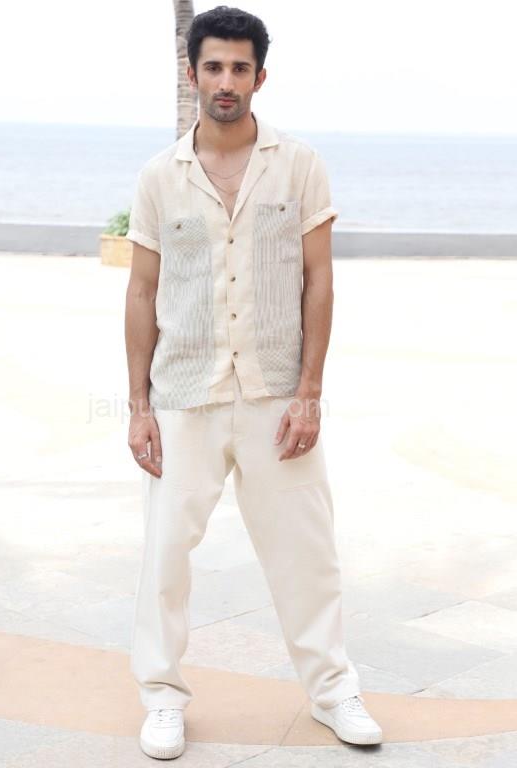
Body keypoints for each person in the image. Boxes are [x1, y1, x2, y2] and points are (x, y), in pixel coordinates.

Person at [124, 5, 382, 760]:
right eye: (213, 66)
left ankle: (333, 693)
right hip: (184, 393)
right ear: (192, 73)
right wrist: (137, 406)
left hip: (276, 396)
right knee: (165, 555)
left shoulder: (299, 165)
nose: (226, 81)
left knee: (307, 554)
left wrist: (309, 392)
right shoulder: (158, 177)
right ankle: (162, 698)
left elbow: (318, 281)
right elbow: (141, 290)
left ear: (260, 77)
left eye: (240, 68)